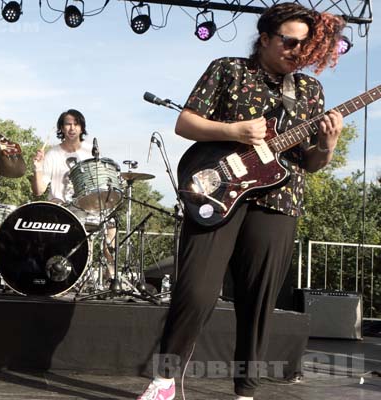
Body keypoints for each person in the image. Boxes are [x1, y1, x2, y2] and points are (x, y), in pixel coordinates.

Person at [137, 3, 344, 400]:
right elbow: (185, 123)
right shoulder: (229, 68)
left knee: (259, 301)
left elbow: (312, 163)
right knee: (195, 291)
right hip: (218, 190)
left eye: (305, 45)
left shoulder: (310, 91)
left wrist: (328, 146)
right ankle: (163, 381)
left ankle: (245, 391)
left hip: (280, 200)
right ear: (265, 38)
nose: (297, 50)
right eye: (289, 41)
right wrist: (234, 129)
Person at [31, 109, 117, 281]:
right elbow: (38, 191)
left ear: (81, 127)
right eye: (68, 124)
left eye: (76, 124)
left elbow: (99, 186)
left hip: (88, 207)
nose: (72, 128)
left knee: (111, 223)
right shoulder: (52, 154)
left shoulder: (90, 153)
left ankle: (111, 272)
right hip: (62, 210)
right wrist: (37, 167)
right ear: (61, 128)